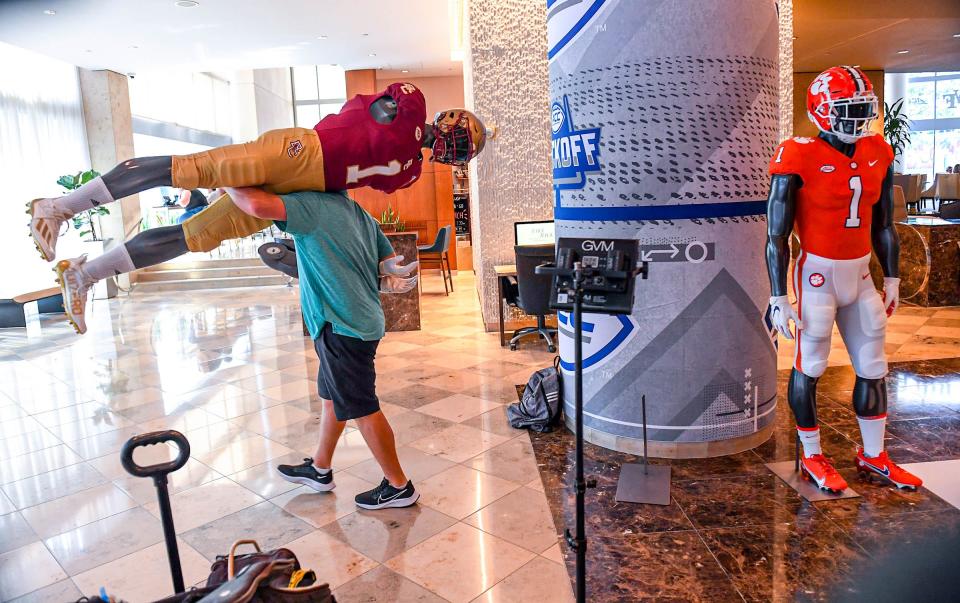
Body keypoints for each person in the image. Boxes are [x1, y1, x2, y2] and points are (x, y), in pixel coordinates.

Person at [36, 82, 487, 333]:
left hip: (310, 191)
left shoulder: (410, 171)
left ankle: (84, 275)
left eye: (462, 147)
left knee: (196, 235)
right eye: (462, 139)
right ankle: (59, 207)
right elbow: (371, 114)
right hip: (302, 152)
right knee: (190, 170)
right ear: (451, 121)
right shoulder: (411, 103)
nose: (454, 146)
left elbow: (357, 186)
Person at [766, 65, 922, 493]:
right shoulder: (797, 154)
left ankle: (874, 455)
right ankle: (813, 454)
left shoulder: (878, 151)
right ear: (821, 111)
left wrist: (891, 277)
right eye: (846, 108)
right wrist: (778, 295)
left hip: (860, 272)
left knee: (873, 365)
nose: (856, 118)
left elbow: (883, 225)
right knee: (811, 363)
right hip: (817, 272)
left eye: (860, 108)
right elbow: (776, 235)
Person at [225, 185, 419, 510]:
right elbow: (385, 255)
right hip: (353, 321)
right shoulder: (355, 211)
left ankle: (399, 485)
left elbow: (255, 203)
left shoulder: (311, 206)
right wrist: (387, 271)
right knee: (332, 399)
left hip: (343, 325)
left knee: (362, 407)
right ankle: (320, 468)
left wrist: (224, 178)